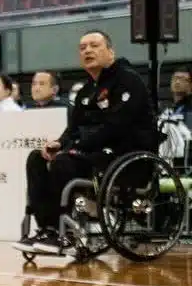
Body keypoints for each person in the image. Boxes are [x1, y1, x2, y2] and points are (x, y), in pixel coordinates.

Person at [16, 31, 160, 255]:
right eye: (83, 48)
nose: (87, 51)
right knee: (37, 158)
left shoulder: (128, 80)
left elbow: (117, 127)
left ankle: (62, 232)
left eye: (94, 45)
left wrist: (76, 148)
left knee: (64, 162)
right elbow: (72, 130)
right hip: (94, 153)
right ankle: (47, 228)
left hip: (127, 156)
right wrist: (59, 144)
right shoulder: (86, 91)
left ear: (110, 52)